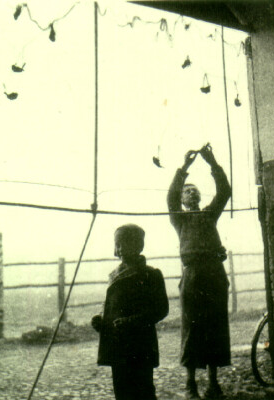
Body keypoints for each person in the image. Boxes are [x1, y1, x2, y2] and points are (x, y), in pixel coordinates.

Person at [167, 144, 232, 399]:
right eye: (186, 191)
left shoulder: (209, 215)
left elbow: (225, 191)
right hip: (192, 276)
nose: (190, 192)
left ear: (199, 197)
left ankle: (213, 384)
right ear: (183, 200)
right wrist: (184, 169)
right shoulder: (179, 219)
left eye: (194, 190)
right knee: (192, 328)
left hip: (215, 274)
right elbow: (170, 196)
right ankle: (191, 384)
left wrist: (212, 161)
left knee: (215, 325)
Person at [91, 224, 169, 400]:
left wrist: (132, 321)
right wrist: (101, 321)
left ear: (138, 245)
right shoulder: (114, 274)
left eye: (122, 243)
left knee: (143, 390)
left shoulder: (151, 274)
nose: (117, 249)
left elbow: (161, 309)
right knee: (122, 390)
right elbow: (112, 305)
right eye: (116, 244)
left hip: (140, 344)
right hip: (117, 344)